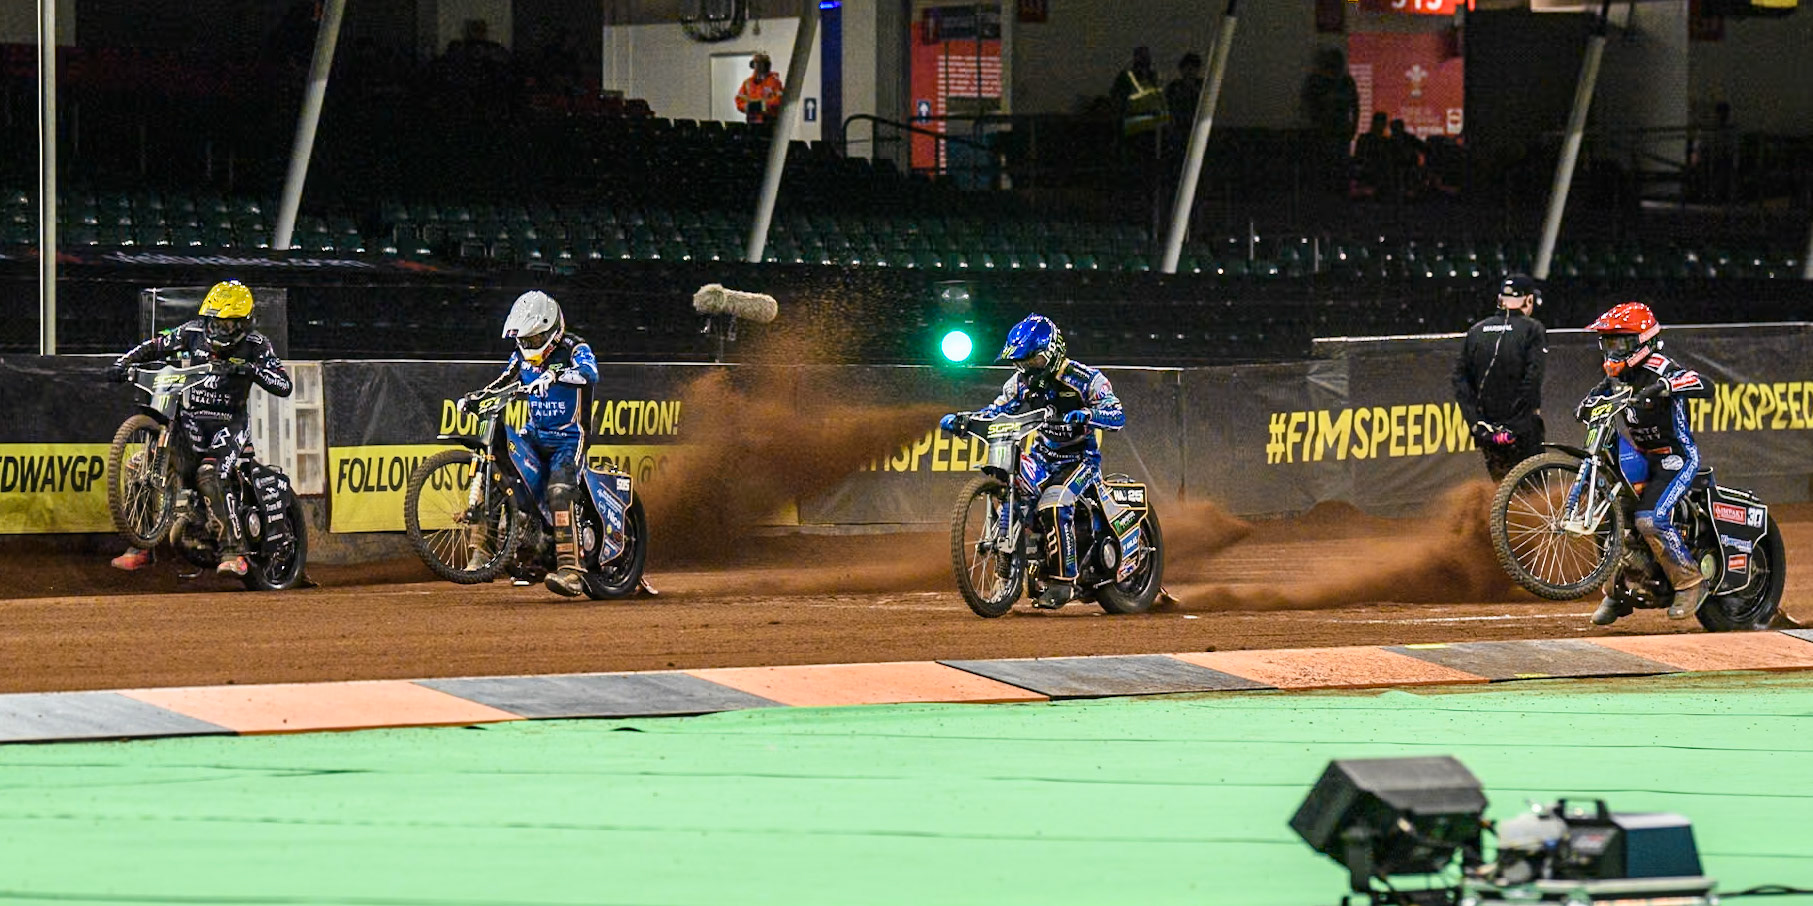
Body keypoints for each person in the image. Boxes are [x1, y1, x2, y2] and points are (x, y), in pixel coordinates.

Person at [104, 281, 292, 577]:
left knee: (209, 474)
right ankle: (141, 547)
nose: (219, 330)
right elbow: (155, 346)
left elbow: (284, 385)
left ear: (244, 322)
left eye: (228, 324)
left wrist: (249, 369)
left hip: (227, 427)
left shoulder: (256, 345)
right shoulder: (192, 332)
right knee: (142, 466)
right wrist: (123, 362)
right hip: (190, 424)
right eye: (214, 322)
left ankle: (234, 553)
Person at [938, 315, 1124, 610]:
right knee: (1014, 487)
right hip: (1042, 455)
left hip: (1080, 459)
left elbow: (1117, 414)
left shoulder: (1086, 378)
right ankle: (1009, 573)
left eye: (1032, 361)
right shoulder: (1020, 382)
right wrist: (964, 419)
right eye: (1021, 363)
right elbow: (997, 410)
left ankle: (1064, 582)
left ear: (1051, 354)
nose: (1026, 368)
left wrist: (1088, 415)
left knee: (1054, 502)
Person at [1580, 302, 1712, 625]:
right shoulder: (1616, 374)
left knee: (1650, 519)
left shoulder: (1661, 367)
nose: (1612, 351)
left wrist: (1668, 386)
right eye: (1608, 343)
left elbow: (1704, 384)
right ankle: (1618, 592)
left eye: (1620, 343)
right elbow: (1600, 392)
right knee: (1613, 515)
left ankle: (1690, 582)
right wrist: (1586, 404)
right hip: (1641, 457)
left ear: (1642, 341)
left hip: (1675, 457)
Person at [491, 290, 599, 596]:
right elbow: (503, 381)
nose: (529, 346)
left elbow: (591, 374)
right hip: (535, 434)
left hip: (569, 438)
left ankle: (571, 571)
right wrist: (477, 397)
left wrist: (554, 375)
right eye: (525, 340)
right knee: (515, 481)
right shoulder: (519, 356)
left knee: (559, 492)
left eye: (535, 339)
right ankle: (528, 559)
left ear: (552, 330)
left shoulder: (575, 348)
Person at [1451, 274, 1547, 482]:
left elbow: (1459, 381)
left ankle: (1501, 515)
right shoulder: (1533, 329)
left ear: (1500, 299)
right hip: (1521, 429)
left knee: (1502, 486)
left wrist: (1477, 424)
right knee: (1533, 492)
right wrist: (1515, 424)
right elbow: (1532, 379)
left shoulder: (1475, 331)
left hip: (1488, 431)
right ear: (1528, 300)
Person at [1299, 48, 1359, 194]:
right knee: (1323, 168)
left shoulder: (1346, 82)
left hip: (1341, 132)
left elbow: (1355, 106)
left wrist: (1353, 127)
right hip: (1322, 132)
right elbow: (1307, 104)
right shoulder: (1315, 81)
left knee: (1340, 169)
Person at [735, 51, 784, 126]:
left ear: (766, 66)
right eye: (756, 64)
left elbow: (779, 101)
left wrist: (763, 106)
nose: (758, 67)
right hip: (751, 122)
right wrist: (749, 107)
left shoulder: (774, 82)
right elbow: (739, 101)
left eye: (761, 64)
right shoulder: (747, 83)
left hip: (768, 122)